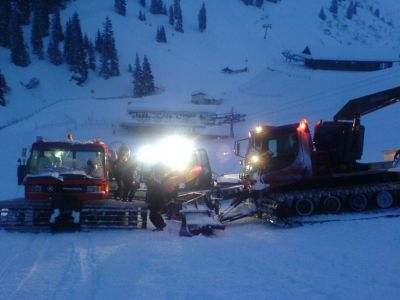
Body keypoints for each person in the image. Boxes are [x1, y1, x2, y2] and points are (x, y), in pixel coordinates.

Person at [146, 164, 168, 231]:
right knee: (155, 214)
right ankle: (161, 225)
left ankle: (160, 225)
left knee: (152, 215)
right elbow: (149, 194)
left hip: (156, 202)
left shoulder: (154, 185)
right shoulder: (154, 184)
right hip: (156, 202)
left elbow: (152, 194)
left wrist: (149, 201)